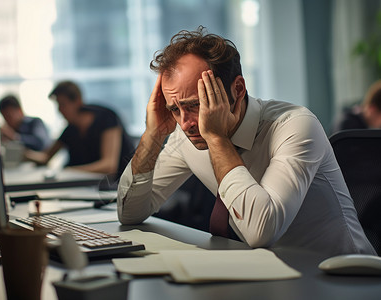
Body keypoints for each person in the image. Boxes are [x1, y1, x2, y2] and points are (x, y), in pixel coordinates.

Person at [117, 27, 376, 257]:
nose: (184, 123)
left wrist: (217, 138)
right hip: (267, 275)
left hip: (340, 277)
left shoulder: (295, 125)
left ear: (237, 90)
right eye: (174, 109)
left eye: (196, 104)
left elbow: (260, 232)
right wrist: (153, 136)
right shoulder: (186, 134)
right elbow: (129, 213)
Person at [25, 81, 134, 178]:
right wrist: (23, 154)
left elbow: (109, 166)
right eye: (58, 105)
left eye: (63, 104)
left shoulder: (106, 118)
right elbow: (46, 157)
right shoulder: (70, 129)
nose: (60, 110)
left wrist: (68, 171)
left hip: (120, 186)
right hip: (88, 186)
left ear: (77, 101)